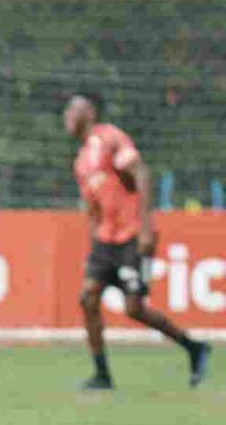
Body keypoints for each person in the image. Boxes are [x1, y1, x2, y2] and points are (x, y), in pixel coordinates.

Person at [63, 92, 210, 389]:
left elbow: (141, 173)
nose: (67, 116)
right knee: (87, 298)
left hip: (132, 237)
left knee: (134, 308)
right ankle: (102, 375)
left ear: (89, 112)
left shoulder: (109, 137)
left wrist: (146, 227)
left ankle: (194, 348)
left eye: (72, 109)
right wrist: (94, 248)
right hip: (106, 242)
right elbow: (93, 210)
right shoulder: (81, 163)